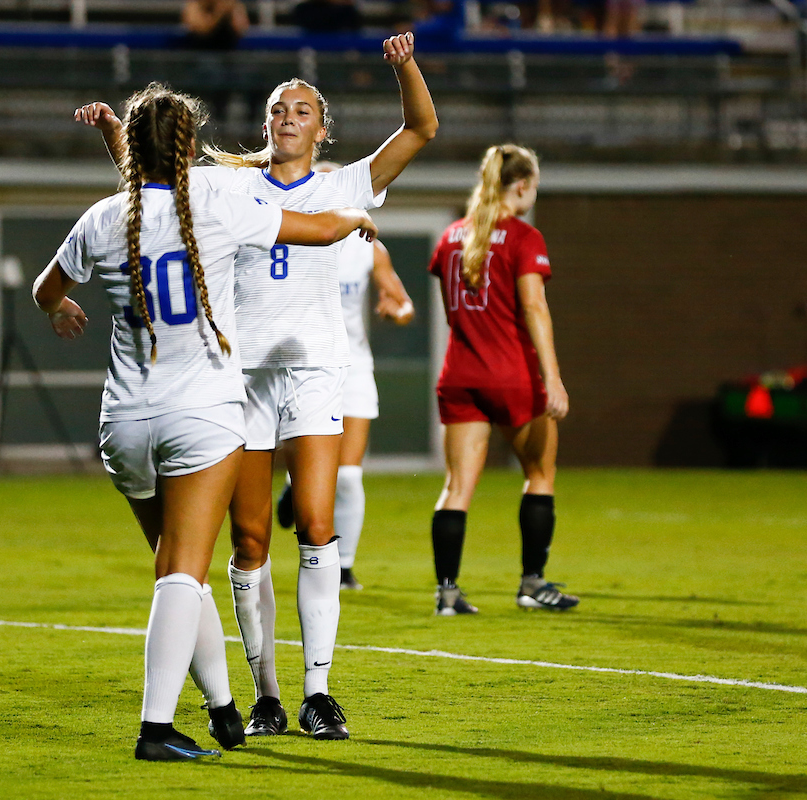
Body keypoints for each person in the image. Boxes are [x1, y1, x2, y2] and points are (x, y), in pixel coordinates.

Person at [76, 31, 435, 741]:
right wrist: (119, 133)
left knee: (316, 518)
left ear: (323, 127)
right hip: (238, 380)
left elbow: (422, 128)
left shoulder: (343, 185)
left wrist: (405, 66)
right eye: (278, 107)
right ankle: (266, 692)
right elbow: (147, 187)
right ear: (266, 122)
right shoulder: (228, 184)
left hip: (311, 371)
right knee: (247, 539)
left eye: (302, 108)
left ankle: (320, 690)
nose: (288, 115)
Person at [41, 83, 376, 760]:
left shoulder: (105, 218)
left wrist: (58, 311)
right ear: (192, 148)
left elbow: (51, 288)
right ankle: (157, 729)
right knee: (183, 575)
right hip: (199, 415)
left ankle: (225, 706)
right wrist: (351, 222)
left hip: (124, 422)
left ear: (130, 151)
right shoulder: (221, 201)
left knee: (172, 566)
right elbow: (310, 228)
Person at [427, 144, 578, 617]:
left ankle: (447, 593)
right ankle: (532, 585)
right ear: (523, 186)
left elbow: (454, 310)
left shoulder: (451, 236)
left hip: (459, 373)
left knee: (456, 487)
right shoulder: (524, 237)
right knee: (539, 475)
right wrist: (551, 377)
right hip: (510, 374)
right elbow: (534, 307)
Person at [277, 161, 417, 592]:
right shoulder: (292, 241)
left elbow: (403, 302)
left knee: (350, 474)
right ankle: (292, 485)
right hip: (302, 365)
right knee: (311, 468)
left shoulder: (368, 246)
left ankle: (345, 566)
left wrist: (398, 312)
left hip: (354, 366)